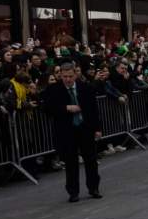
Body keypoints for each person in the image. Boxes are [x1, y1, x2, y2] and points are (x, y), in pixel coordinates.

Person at [41, 62, 103, 203]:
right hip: (67, 130)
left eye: (70, 76)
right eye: (64, 77)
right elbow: (46, 108)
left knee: (91, 160)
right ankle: (73, 192)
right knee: (71, 162)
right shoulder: (53, 89)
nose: (68, 79)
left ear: (75, 74)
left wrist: (97, 128)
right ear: (60, 76)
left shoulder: (86, 88)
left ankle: (94, 188)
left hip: (85, 128)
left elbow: (94, 110)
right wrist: (66, 108)